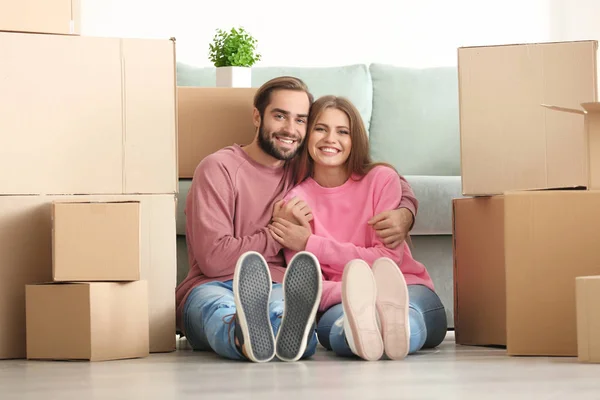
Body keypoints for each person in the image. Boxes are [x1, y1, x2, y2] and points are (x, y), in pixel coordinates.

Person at [175, 77, 420, 363]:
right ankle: (243, 335)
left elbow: (376, 175)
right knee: (218, 310)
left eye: (301, 120)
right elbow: (214, 260)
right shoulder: (219, 168)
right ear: (257, 116)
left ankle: (288, 335)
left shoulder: (301, 169)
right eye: (280, 116)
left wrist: (406, 212)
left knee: (286, 313)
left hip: (278, 285)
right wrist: (276, 234)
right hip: (214, 284)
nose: (290, 130)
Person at [269, 95, 447, 361]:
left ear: (356, 140)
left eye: (343, 132)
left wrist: (311, 243)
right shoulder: (294, 204)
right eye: (321, 129)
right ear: (306, 136)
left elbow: (387, 259)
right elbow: (307, 281)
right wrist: (356, 293)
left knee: (410, 314)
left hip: (405, 287)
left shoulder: (381, 180)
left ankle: (399, 330)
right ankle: (360, 333)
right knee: (337, 328)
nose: (331, 139)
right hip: (342, 301)